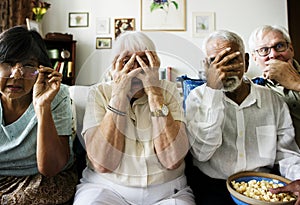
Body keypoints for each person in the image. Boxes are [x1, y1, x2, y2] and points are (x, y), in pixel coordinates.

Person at [73, 31, 195, 205]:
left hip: (167, 192)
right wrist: (119, 95)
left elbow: (172, 160)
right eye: (126, 62)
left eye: (143, 60)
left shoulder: (169, 90)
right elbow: (103, 164)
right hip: (106, 188)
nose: (136, 69)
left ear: (155, 63)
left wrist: (154, 93)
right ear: (114, 67)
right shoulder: (99, 93)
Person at [185, 29, 300, 205]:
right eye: (215, 62)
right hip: (213, 186)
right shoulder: (198, 97)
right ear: (206, 67)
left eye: (232, 60)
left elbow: (286, 153)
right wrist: (213, 91)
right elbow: (202, 153)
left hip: (261, 185)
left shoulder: (273, 100)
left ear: (246, 62)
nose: (225, 69)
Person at [0, 26, 77, 204]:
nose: (17, 74)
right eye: (7, 63)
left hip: (39, 178)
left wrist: (43, 106)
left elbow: (50, 168)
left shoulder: (58, 95)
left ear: (41, 70)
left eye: (28, 65)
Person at [249, 25, 300, 147]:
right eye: (264, 50)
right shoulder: (252, 90)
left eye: (280, 46)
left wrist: (296, 83)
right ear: (254, 58)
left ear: (291, 49)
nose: (273, 55)